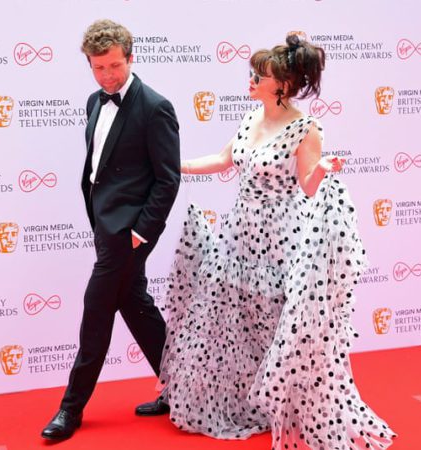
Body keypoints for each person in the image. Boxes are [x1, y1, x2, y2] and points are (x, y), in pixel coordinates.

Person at [158, 34, 396, 449]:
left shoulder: (306, 129)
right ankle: (243, 399)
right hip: (239, 234)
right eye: (252, 74)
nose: (251, 81)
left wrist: (322, 169)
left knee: (274, 320)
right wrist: (172, 166)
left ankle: (282, 402)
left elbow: (307, 186)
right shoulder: (251, 117)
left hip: (280, 239)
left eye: (259, 76)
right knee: (233, 319)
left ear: (282, 86)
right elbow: (223, 160)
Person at [40, 19, 181, 440]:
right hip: (105, 224)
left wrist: (141, 232)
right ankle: (183, 389)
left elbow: (168, 179)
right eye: (99, 67)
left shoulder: (155, 107)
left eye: (115, 66)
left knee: (96, 311)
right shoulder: (93, 102)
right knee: (137, 306)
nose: (107, 76)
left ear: (131, 58)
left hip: (129, 233)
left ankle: (70, 409)